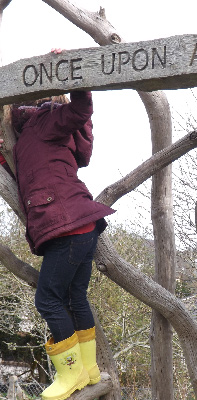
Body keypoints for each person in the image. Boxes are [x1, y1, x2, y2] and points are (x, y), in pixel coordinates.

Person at [11, 88, 115, 400]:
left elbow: (80, 108)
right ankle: (88, 370)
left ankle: (70, 372)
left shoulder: (46, 119)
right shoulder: (41, 132)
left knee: (48, 300)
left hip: (66, 225)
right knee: (75, 298)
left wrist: (77, 80)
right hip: (80, 224)